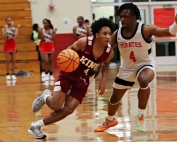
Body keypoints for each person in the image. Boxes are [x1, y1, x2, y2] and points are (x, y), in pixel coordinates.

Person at [94, 3, 177, 133]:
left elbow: (169, 31)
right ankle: (110, 120)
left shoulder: (145, 29)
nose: (121, 19)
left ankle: (141, 116)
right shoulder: (117, 34)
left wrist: (176, 23)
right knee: (114, 99)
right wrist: (98, 69)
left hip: (145, 65)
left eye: (125, 16)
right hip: (126, 69)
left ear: (135, 17)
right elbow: (105, 53)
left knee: (144, 80)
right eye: (120, 16)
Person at [28, 18, 114, 139]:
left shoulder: (109, 52)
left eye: (110, 34)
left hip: (83, 80)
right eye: (105, 33)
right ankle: (45, 96)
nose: (108, 36)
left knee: (68, 109)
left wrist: (103, 78)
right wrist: (70, 60)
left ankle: (35, 126)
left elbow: (105, 63)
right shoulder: (84, 42)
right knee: (56, 105)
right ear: (97, 34)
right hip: (69, 74)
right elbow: (67, 51)